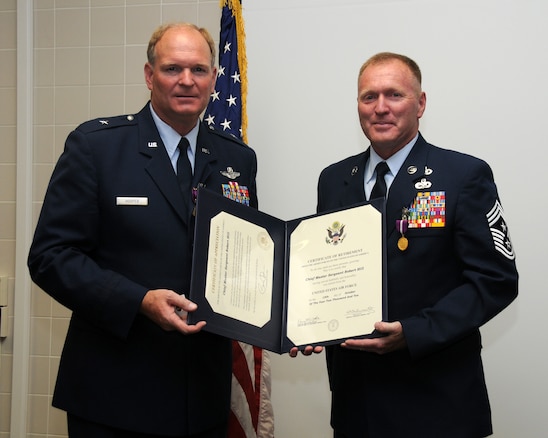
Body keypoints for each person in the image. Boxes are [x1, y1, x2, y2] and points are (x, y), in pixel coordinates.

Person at [28, 22, 258, 438]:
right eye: (172, 69)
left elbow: (248, 257)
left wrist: (290, 320)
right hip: (114, 395)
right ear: (150, 76)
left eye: (199, 70)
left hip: (202, 399)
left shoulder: (236, 159)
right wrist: (139, 300)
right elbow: (50, 257)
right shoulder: (97, 147)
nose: (187, 81)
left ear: (213, 79)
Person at [291, 52, 518, 437]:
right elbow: (326, 271)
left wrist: (414, 332)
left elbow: (495, 280)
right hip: (356, 403)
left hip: (437, 403)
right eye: (369, 97)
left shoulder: (462, 176)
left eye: (394, 95)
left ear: (421, 103)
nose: (380, 108)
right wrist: (301, 323)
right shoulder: (333, 179)